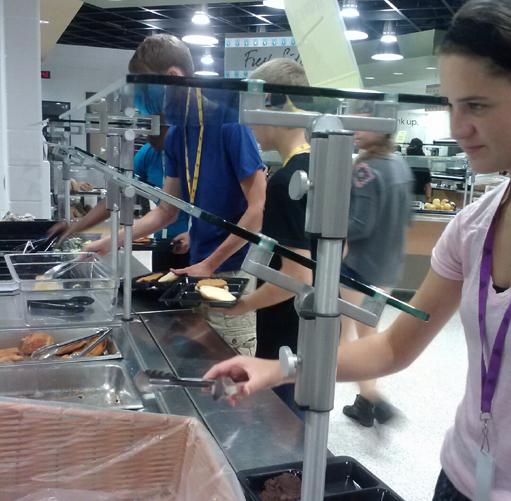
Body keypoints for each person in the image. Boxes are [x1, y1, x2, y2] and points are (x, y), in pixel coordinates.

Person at [205, 1, 511, 498]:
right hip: (458, 476)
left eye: (476, 105)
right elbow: (392, 346)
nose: (457, 128)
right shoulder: (473, 226)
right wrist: (281, 368)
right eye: (451, 105)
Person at [86, 34, 266, 356]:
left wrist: (211, 263)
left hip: (231, 270)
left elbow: (257, 210)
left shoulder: (229, 123)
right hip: (198, 268)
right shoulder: (177, 137)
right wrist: (109, 241)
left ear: (173, 78)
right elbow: (166, 211)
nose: (143, 102)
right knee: (202, 363)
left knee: (231, 365)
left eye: (145, 91)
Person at [215, 58, 313, 415]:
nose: (248, 119)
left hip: (287, 326)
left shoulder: (290, 181)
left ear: (274, 102)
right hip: (310, 324)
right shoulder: (316, 166)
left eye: (253, 106)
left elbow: (296, 277)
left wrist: (241, 306)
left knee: (285, 419)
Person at [339, 102, 414, 427]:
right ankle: (366, 402)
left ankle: (373, 398)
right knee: (368, 332)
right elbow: (407, 217)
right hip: (388, 266)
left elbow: (359, 225)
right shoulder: (399, 164)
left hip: (359, 267)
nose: (356, 129)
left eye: (363, 124)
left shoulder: (366, 169)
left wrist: (325, 224)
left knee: (346, 336)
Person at [133, 126, 190, 271]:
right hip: (163, 241)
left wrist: (196, 234)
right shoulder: (148, 153)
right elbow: (124, 187)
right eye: (149, 129)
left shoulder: (198, 154)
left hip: (200, 243)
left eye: (158, 129)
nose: (149, 136)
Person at [406, 137, 433, 202]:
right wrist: (429, 198)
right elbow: (427, 183)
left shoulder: (407, 158)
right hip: (419, 194)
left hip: (407, 194)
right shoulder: (423, 160)